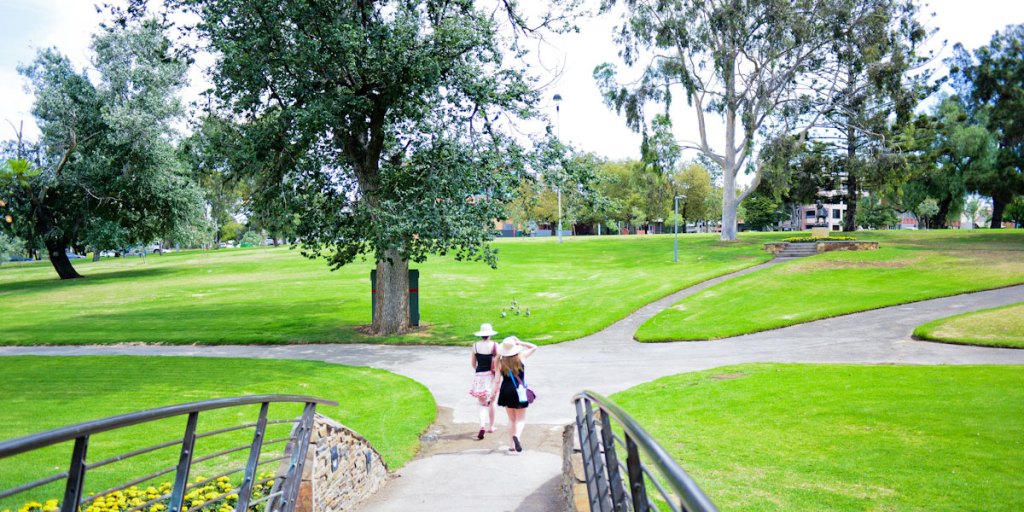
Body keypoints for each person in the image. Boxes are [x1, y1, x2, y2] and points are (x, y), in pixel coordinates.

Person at [493, 335, 537, 452]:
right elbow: (534, 347)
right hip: (519, 391)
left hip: (506, 390)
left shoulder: (499, 362)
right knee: (520, 419)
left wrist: (492, 393)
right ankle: (517, 436)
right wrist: (520, 342)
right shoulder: (521, 357)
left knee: (511, 419)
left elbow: (497, 380)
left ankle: (512, 445)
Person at [468, 323, 500, 440]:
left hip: (479, 376)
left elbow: (473, 364)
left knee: (482, 404)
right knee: (492, 402)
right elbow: (498, 363)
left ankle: (482, 426)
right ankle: (491, 426)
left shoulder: (475, 346)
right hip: (491, 377)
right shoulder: (495, 346)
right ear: (490, 334)